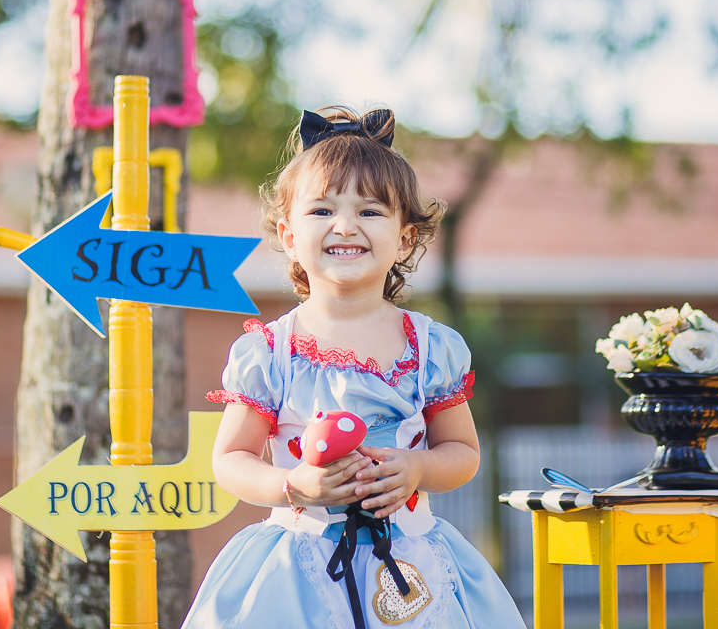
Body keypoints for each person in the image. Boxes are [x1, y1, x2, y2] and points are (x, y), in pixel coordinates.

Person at [182, 107, 527, 629]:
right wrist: (294, 485)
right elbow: (231, 458)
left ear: (405, 238)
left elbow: (462, 453)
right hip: (295, 568)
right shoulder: (270, 351)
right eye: (320, 211)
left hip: (412, 565)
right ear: (290, 234)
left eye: (370, 212)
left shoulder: (431, 347)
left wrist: (417, 468)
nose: (345, 225)